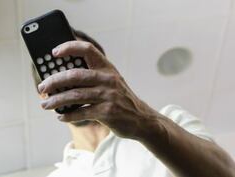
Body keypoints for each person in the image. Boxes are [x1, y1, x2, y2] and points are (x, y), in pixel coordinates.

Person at [31, 29, 235, 177]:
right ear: (44, 95)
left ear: (104, 71)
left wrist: (144, 123)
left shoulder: (170, 120)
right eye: (56, 76)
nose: (71, 77)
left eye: (77, 64)